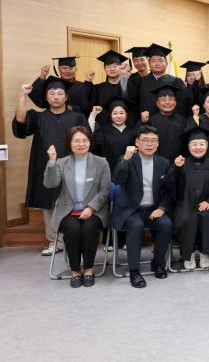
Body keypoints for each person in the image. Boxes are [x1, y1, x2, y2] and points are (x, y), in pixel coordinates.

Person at [13, 77, 89, 256]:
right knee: (48, 204)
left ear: (66, 97)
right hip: (46, 165)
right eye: (52, 93)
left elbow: (86, 140)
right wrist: (23, 95)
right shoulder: (38, 117)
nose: (56, 96)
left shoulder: (77, 117)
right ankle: (54, 241)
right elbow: (20, 120)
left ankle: (74, 239)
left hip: (73, 165)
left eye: (60, 93)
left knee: (73, 201)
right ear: (46, 97)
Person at [43, 126, 110, 287]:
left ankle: (88, 269)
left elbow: (105, 190)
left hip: (94, 210)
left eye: (84, 140)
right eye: (76, 141)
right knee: (73, 230)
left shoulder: (101, 162)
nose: (81, 144)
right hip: (68, 210)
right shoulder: (62, 162)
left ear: (90, 142)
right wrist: (52, 162)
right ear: (70, 143)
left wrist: (91, 208)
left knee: (89, 228)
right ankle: (75, 271)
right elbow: (50, 184)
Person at [111, 126, 173, 288]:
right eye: (145, 140)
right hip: (130, 210)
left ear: (158, 144)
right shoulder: (127, 159)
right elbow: (117, 180)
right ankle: (134, 271)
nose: (149, 144)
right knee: (136, 225)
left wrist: (162, 208)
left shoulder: (164, 163)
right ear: (137, 142)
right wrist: (126, 159)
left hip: (152, 209)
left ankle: (157, 263)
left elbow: (169, 191)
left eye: (153, 140)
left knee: (166, 224)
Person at [165, 126, 209, 270]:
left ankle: (205, 252)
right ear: (188, 146)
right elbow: (170, 185)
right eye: (194, 144)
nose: (198, 147)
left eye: (202, 144)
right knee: (186, 218)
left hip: (206, 205)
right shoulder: (181, 163)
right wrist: (176, 168)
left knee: (208, 217)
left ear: (207, 145)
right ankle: (189, 253)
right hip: (184, 204)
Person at [140, 82, 186, 163]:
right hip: (156, 163)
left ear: (175, 103)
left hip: (179, 163)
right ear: (157, 103)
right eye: (163, 100)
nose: (167, 102)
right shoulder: (150, 121)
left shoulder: (183, 121)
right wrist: (143, 122)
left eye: (170, 99)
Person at [29, 56, 94, 115]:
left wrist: (71, 108)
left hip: (75, 121)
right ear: (59, 69)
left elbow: (88, 108)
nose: (67, 71)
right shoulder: (51, 85)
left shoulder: (82, 86)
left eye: (71, 68)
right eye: (64, 68)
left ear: (75, 70)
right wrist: (43, 76)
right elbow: (39, 100)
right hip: (52, 119)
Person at [137, 43, 187, 116]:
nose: (157, 64)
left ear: (166, 63)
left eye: (161, 61)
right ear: (149, 64)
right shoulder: (142, 82)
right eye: (153, 61)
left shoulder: (176, 81)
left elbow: (182, 104)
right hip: (148, 121)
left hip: (171, 121)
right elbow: (138, 104)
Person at [90, 97, 137, 173]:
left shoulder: (133, 132)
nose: (118, 116)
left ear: (126, 115)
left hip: (128, 171)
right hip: (107, 171)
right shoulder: (103, 131)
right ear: (110, 115)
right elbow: (91, 135)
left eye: (122, 113)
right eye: (115, 113)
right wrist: (93, 114)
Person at [92, 50, 138, 125]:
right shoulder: (98, 88)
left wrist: (124, 79)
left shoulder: (130, 85)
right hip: (104, 126)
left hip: (127, 126)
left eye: (115, 66)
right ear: (104, 69)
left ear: (120, 68)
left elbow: (133, 103)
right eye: (108, 67)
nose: (112, 69)